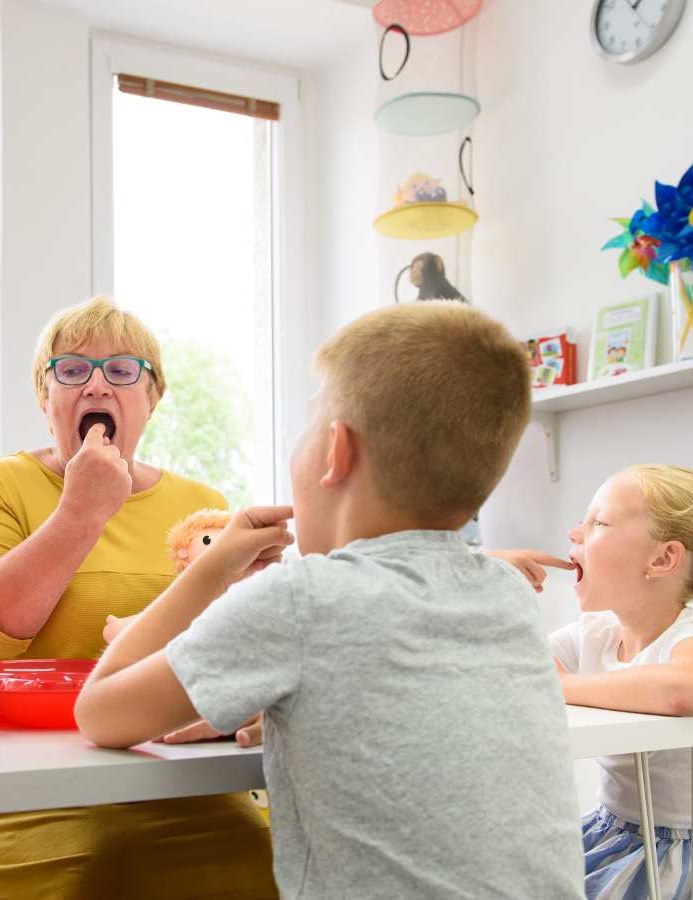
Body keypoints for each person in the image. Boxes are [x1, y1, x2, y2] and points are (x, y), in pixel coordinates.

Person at [74, 301, 586, 899]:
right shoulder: (506, 594)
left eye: (308, 421)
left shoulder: (297, 598)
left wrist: (210, 569)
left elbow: (100, 713)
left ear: (336, 452)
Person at [0, 295, 275, 900]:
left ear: (152, 399)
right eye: (71, 370)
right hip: (24, 774)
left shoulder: (199, 502)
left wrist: (246, 701)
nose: (97, 385)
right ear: (46, 400)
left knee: (267, 861)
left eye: (122, 371)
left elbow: (236, 640)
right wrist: (79, 513)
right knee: (110, 869)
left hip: (175, 768)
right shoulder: (0, 484)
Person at [534, 464, 693, 900]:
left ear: (663, 559)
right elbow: (505, 666)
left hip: (687, 857)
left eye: (599, 522)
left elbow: (685, 690)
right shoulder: (596, 632)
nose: (574, 533)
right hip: (610, 833)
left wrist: (558, 684)